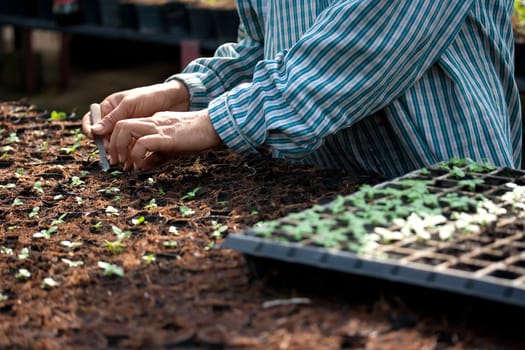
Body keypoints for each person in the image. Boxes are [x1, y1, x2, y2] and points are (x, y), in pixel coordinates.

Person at [82, 0, 523, 179]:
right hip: (313, 189)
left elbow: (371, 37)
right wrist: (185, 93)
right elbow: (269, 46)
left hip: (439, 183)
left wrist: (220, 120)